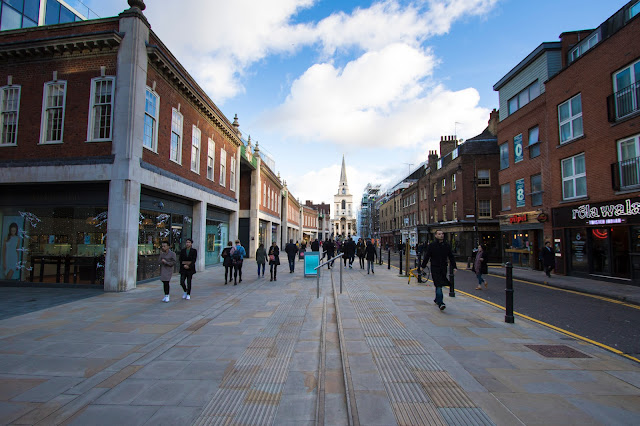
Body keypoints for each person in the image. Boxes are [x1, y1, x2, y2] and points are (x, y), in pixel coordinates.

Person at [421, 230, 456, 311]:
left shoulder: (446, 245)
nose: (441, 235)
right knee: (438, 285)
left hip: (443, 267)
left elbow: (451, 256)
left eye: (442, 234)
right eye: (439, 234)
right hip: (435, 267)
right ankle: (441, 303)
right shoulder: (432, 245)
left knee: (439, 284)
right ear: (436, 235)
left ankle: (437, 299)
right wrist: (423, 266)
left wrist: (454, 267)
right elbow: (427, 256)